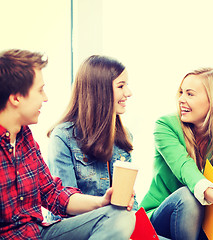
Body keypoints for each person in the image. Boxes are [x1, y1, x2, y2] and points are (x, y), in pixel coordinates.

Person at [0, 49, 135, 239]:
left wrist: (102, 202)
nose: (45, 97)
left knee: (120, 216)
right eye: (40, 90)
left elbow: (53, 193)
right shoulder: (63, 136)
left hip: (39, 234)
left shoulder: (25, 139)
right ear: (16, 98)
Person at [140, 68, 213, 240]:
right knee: (187, 197)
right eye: (181, 93)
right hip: (158, 216)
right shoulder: (165, 125)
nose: (181, 99)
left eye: (190, 94)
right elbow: (185, 169)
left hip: (199, 219)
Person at [46, 55, 137, 210]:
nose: (129, 93)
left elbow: (129, 204)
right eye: (121, 86)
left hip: (118, 224)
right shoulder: (62, 137)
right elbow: (64, 206)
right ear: (100, 91)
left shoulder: (123, 136)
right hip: (83, 229)